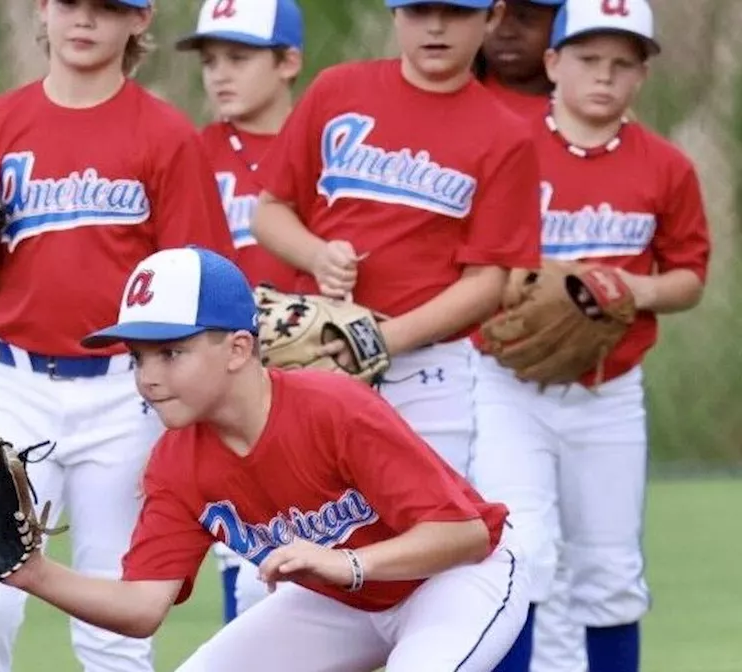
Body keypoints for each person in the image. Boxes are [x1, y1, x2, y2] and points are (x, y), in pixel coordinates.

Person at [1, 246, 529, 672]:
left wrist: (348, 564)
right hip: (346, 603)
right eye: (137, 357)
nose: (148, 376)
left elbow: (465, 536)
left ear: (236, 349)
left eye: (171, 352)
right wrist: (34, 574)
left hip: (458, 582)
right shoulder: (175, 464)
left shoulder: (332, 408)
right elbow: (142, 607)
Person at [0, 0, 237, 670]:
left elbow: (196, 283)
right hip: (17, 386)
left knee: (114, 624)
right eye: (70, 2)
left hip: (127, 394)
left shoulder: (165, 135)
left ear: (139, 20)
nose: (84, 19)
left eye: (108, 6)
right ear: (43, 10)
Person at [470, 2, 711, 671]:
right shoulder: (507, 150)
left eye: (622, 63)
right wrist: (543, 280)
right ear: (552, 63)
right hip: (507, 386)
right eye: (587, 58)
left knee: (610, 571)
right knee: (522, 557)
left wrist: (631, 290)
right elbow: (476, 261)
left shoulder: (666, 167)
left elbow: (689, 275)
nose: (603, 76)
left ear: (642, 76)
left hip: (608, 392)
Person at [250, 0, 542, 479]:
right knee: (317, 528)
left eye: (457, 11)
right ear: (394, 13)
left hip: (428, 373)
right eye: (419, 9)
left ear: (492, 16)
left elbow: (487, 281)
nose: (436, 26)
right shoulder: (338, 89)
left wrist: (378, 340)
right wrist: (317, 254)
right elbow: (270, 212)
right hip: (317, 352)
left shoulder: (505, 134)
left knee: (427, 533)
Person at [173, 0, 307, 624]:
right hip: (226, 375)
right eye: (211, 60)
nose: (220, 74)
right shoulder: (189, 150)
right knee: (248, 558)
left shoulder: (330, 144)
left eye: (239, 57)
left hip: (316, 372)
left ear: (288, 62)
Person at [471, 2, 589, 671]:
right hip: (450, 361)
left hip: (548, 371)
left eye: (531, 12)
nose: (507, 25)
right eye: (496, 10)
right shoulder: (457, 107)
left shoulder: (585, 119)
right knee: (512, 551)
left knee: (568, 564)